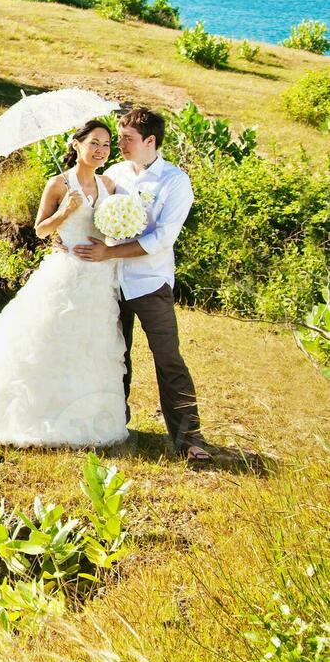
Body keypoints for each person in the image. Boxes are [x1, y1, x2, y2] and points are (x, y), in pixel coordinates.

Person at [0, 120, 128, 448]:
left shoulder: (109, 184)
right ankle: (36, 415)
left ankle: (86, 418)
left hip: (99, 278)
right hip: (67, 272)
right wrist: (65, 211)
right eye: (94, 143)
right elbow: (41, 229)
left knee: (90, 345)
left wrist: (114, 240)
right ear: (76, 144)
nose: (100, 150)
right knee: (49, 337)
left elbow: (114, 224)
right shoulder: (58, 184)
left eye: (106, 145)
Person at [72, 107, 210, 465]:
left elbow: (164, 238)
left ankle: (189, 439)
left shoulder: (175, 181)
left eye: (127, 138)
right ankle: (114, 426)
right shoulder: (115, 173)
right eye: (118, 137)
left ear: (150, 141)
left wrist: (110, 251)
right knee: (116, 355)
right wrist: (68, 239)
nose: (119, 144)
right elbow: (90, 213)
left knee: (168, 358)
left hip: (150, 282)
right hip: (110, 280)